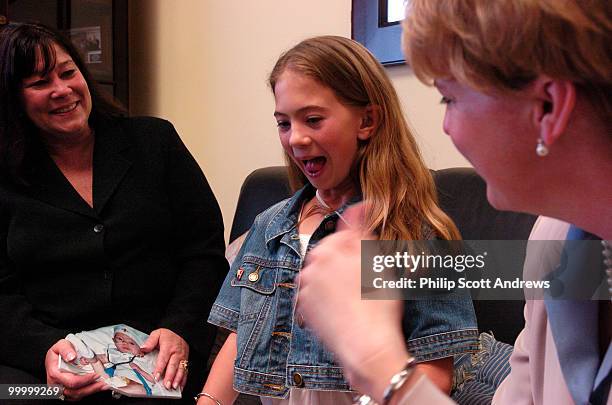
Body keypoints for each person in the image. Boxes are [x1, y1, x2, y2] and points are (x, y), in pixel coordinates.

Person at [297, 1, 611, 404]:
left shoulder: (419, 232)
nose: (446, 128)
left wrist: (377, 362)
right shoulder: (554, 239)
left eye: (450, 98)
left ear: (548, 106)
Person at [197, 36, 479, 405]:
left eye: (313, 119)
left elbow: (436, 371)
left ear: (367, 120)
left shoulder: (416, 233)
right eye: (284, 123)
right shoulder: (269, 225)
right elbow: (240, 336)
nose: (295, 138)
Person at [0, 22, 228, 403]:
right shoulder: (6, 177)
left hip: (159, 358)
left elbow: (203, 254)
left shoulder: (154, 141)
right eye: (40, 83)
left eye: (68, 72)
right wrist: (46, 351)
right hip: (44, 370)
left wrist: (180, 329)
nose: (63, 90)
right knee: (17, 397)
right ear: (13, 99)